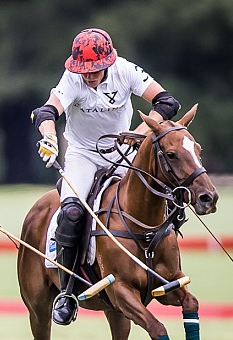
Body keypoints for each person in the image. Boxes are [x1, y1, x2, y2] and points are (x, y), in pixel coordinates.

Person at [31, 28, 181, 325]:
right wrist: (49, 139)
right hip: (83, 155)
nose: (88, 75)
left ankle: (167, 269)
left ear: (107, 63)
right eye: (83, 70)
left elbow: (167, 103)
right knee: (72, 211)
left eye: (94, 70)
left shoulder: (125, 70)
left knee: (165, 195)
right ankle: (68, 290)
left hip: (124, 153)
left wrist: (138, 134)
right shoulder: (72, 78)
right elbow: (46, 112)